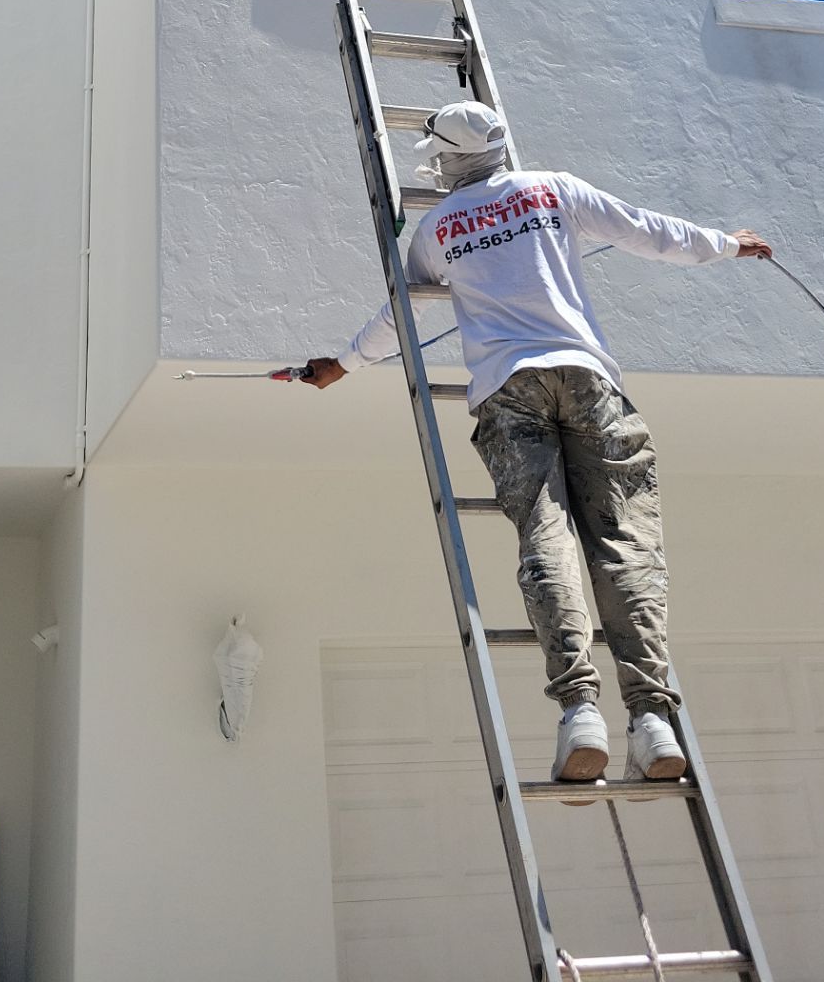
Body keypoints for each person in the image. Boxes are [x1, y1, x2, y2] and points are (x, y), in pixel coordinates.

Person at [302, 100, 771, 788]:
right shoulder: (555, 189)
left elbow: (398, 316)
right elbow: (651, 232)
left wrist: (343, 364)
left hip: (507, 393)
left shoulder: (435, 230)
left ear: (443, 161)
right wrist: (727, 244)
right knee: (623, 545)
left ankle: (581, 711)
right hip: (588, 382)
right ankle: (651, 722)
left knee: (546, 541)